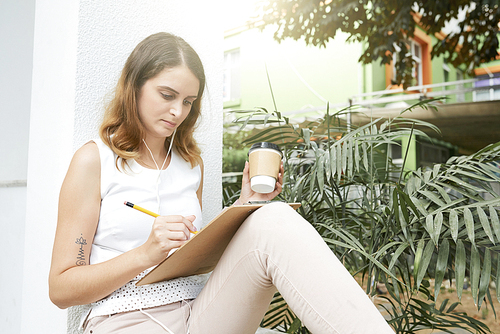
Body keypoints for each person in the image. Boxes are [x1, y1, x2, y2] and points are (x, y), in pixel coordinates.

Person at [48, 32, 394, 334]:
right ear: (134, 85)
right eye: (167, 95)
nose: (177, 112)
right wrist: (145, 254)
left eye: (188, 102)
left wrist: (245, 207)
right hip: (125, 318)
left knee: (273, 219)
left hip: (200, 310)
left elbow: (196, 257)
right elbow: (61, 288)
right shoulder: (95, 160)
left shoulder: (190, 164)